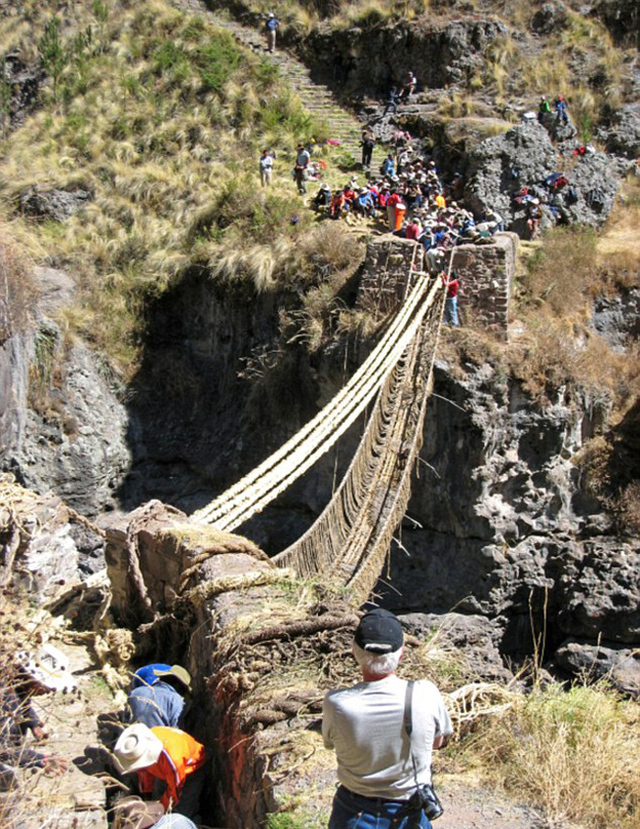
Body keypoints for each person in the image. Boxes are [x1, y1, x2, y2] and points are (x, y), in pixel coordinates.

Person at [323, 609, 452, 829]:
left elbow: (329, 743)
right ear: (401, 653)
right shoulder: (426, 693)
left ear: (354, 651)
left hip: (354, 812)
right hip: (408, 812)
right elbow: (438, 742)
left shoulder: (336, 703)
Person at [1, 645, 74, 787]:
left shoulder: (17, 684)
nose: (48, 691)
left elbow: (22, 703)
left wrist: (33, 723)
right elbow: (3, 751)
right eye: (46, 687)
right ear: (33, 680)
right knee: (8, 783)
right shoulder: (4, 700)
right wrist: (41, 760)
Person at [114, 724, 206, 819]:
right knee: (156, 797)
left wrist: (161, 810)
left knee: (182, 812)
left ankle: (194, 820)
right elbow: (145, 772)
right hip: (163, 770)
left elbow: (175, 791)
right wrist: (147, 794)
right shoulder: (142, 743)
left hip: (190, 772)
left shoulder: (173, 759)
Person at [128, 665, 191, 730]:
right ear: (179, 687)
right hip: (158, 738)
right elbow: (176, 730)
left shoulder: (135, 692)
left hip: (130, 737)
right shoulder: (175, 699)